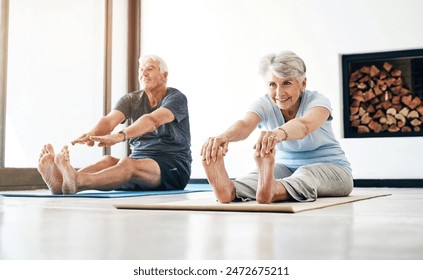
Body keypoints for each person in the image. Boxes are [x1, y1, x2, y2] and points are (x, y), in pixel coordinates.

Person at [201, 51, 353, 204]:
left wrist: (279, 133)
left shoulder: (318, 101)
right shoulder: (264, 103)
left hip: (333, 169)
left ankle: (273, 189)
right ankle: (230, 190)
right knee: (257, 177)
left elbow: (304, 126)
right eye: (272, 85)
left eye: (287, 83)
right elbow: (245, 124)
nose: (279, 92)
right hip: (284, 167)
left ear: (303, 84)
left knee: (305, 174)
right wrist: (223, 137)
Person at [37, 54, 192, 194]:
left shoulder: (176, 98)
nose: (143, 73)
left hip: (172, 167)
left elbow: (152, 121)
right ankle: (62, 183)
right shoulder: (131, 99)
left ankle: (77, 181)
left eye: (150, 69)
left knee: (128, 164)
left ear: (164, 75)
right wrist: (92, 134)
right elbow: (109, 120)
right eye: (141, 70)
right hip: (138, 162)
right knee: (108, 161)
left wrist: (121, 136)